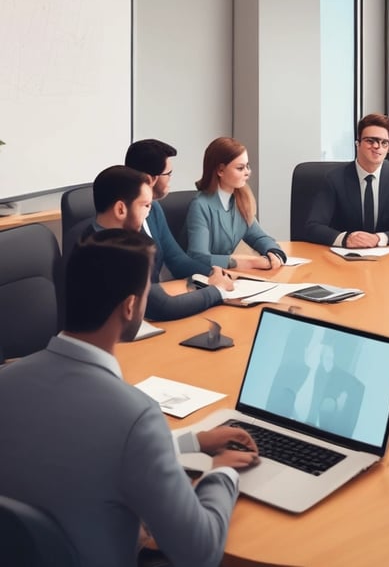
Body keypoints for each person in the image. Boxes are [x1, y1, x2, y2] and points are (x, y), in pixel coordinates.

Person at [0, 229, 259, 567]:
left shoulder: (7, 381)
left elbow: (88, 450)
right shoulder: (135, 416)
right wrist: (220, 473)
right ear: (131, 306)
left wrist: (192, 442)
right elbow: (200, 552)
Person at [84, 165, 231, 321]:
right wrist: (217, 290)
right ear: (121, 209)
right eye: (145, 206)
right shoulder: (117, 253)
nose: (149, 213)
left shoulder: (89, 236)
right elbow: (165, 307)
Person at [125, 138, 232, 287]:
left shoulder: (154, 209)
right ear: (151, 179)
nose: (170, 179)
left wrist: (214, 274)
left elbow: (177, 260)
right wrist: (215, 291)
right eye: (169, 173)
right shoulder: (126, 220)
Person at [305, 113, 389, 247]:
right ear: (357, 143)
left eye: (384, 143)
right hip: (343, 258)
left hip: (387, 259)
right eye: (371, 141)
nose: (377, 146)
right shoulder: (334, 178)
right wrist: (346, 239)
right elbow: (313, 226)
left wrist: (378, 239)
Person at [186, 136, 286, 271]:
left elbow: (258, 237)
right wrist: (248, 263)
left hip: (227, 276)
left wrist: (273, 252)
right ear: (220, 170)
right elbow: (198, 256)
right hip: (199, 278)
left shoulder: (240, 200)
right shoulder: (200, 205)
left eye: (247, 166)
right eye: (240, 168)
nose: (247, 173)